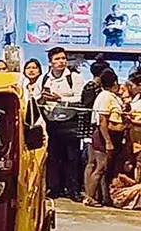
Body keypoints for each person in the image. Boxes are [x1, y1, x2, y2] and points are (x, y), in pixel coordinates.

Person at [40, 46, 86, 201]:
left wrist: (59, 99)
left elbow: (80, 99)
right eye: (57, 59)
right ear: (50, 62)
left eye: (63, 58)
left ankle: (73, 190)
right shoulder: (44, 78)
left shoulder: (74, 78)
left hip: (70, 123)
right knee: (53, 157)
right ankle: (54, 188)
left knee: (72, 158)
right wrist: (43, 99)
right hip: (51, 123)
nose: (61, 62)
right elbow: (35, 98)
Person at [83, 70, 126, 207]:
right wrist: (108, 141)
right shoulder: (106, 97)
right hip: (104, 135)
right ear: (115, 83)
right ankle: (90, 197)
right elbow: (103, 121)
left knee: (99, 167)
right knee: (100, 167)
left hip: (107, 135)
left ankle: (97, 196)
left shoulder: (107, 96)